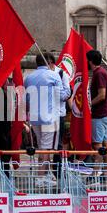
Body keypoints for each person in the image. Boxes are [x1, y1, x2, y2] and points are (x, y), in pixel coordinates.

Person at [25, 54, 68, 185]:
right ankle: (41, 177)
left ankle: (46, 174)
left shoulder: (28, 78)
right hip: (50, 117)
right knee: (47, 149)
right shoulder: (54, 75)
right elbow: (62, 96)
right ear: (48, 62)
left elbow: (26, 99)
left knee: (42, 147)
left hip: (35, 117)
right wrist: (69, 91)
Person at [46, 52, 71, 166]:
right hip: (44, 113)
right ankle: (45, 171)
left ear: (50, 62)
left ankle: (58, 169)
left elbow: (67, 93)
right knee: (45, 144)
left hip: (58, 113)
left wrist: (54, 95)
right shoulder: (43, 75)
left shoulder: (61, 74)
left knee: (58, 143)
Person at [87, 50, 107, 164]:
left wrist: (89, 104)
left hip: (99, 114)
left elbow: (102, 95)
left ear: (90, 61)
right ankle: (106, 172)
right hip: (103, 114)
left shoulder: (99, 73)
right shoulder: (102, 72)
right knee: (104, 144)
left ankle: (96, 173)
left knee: (97, 144)